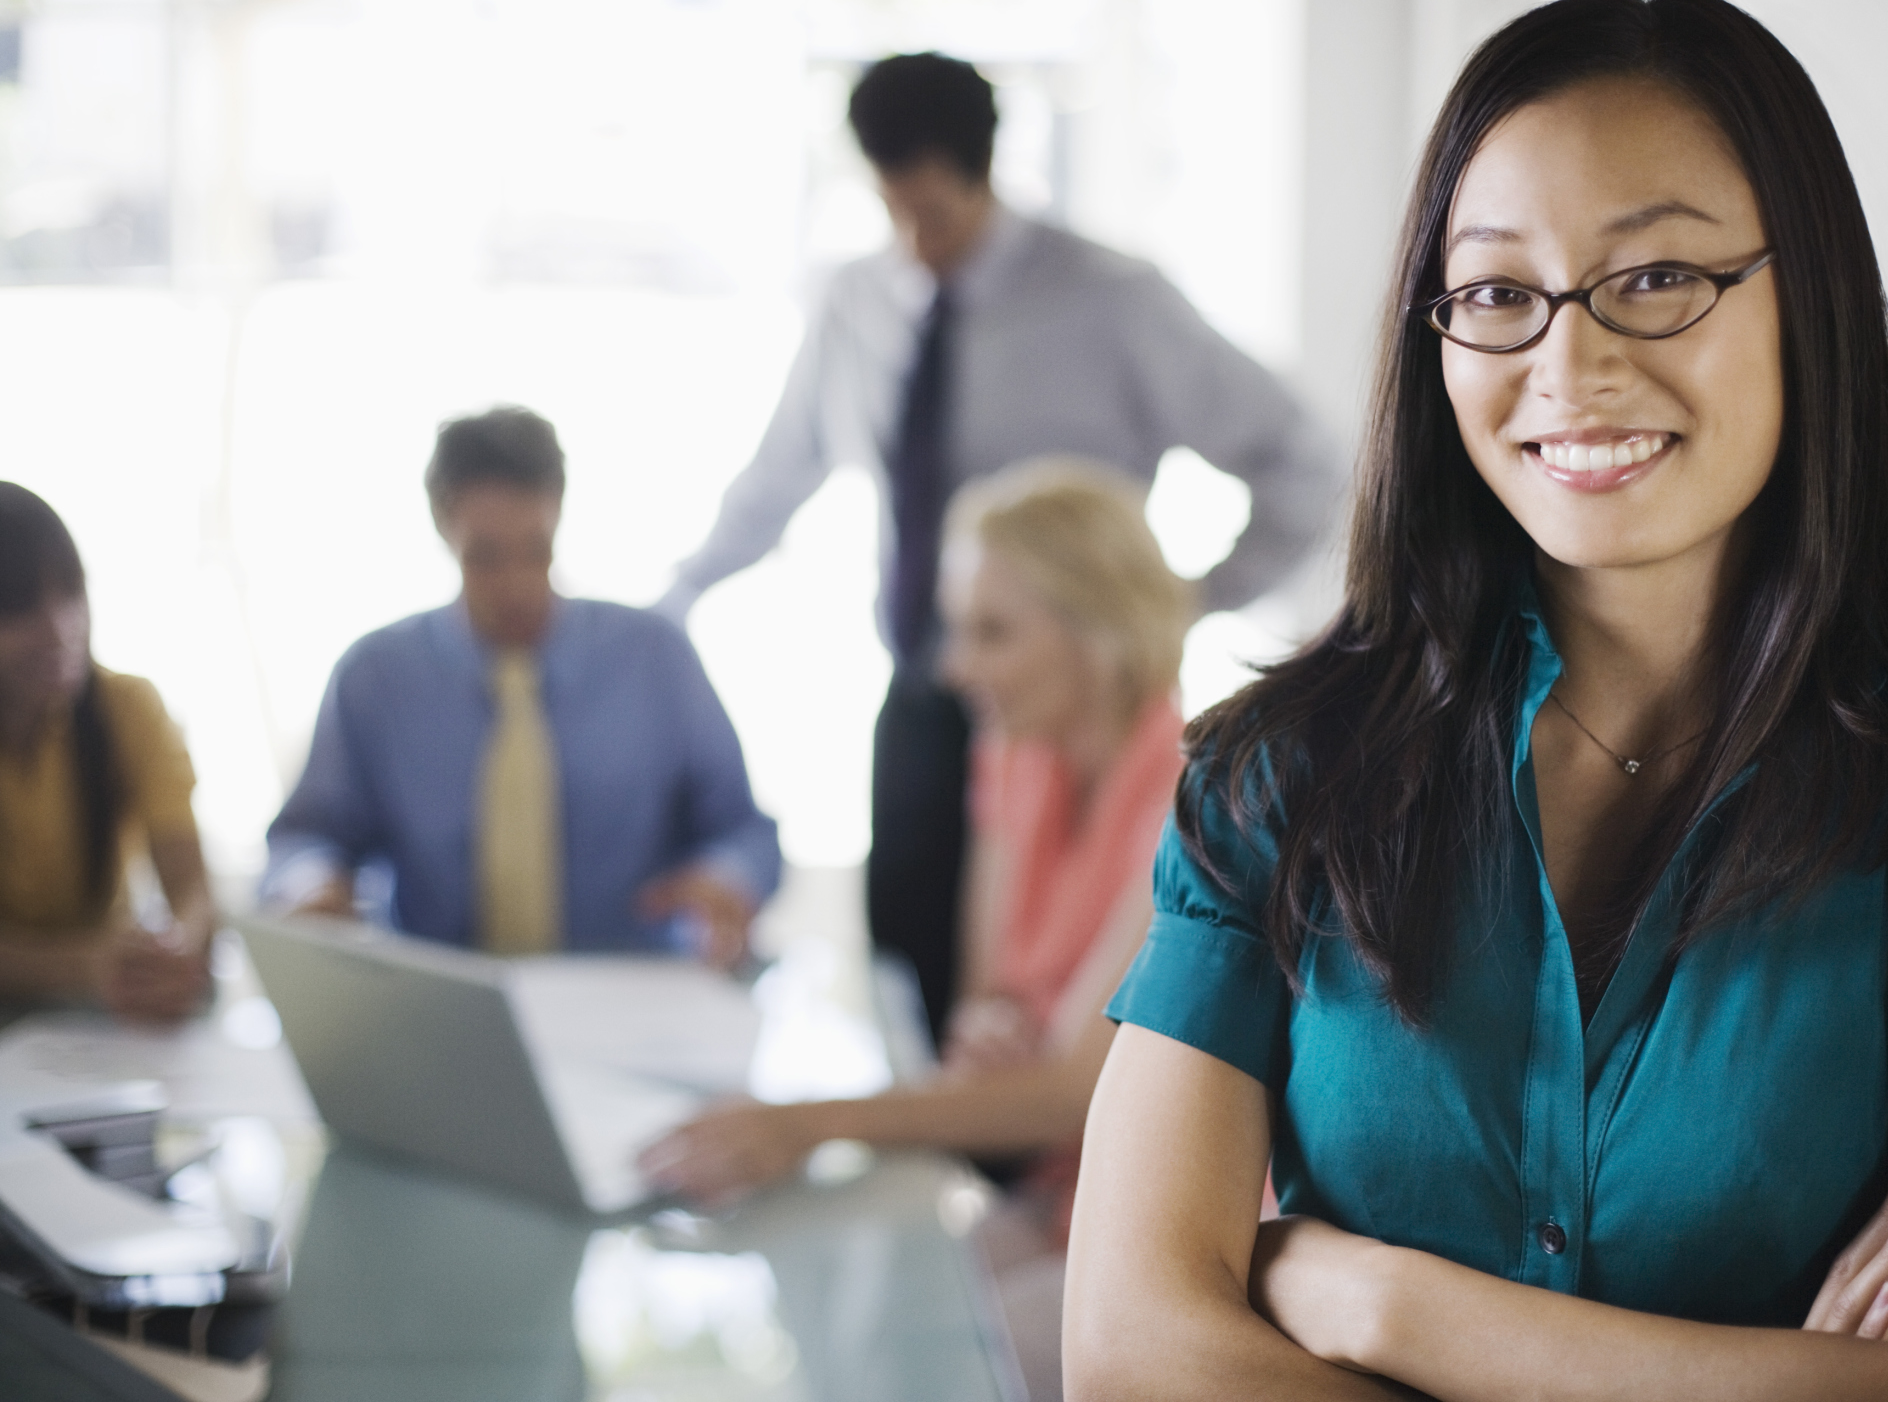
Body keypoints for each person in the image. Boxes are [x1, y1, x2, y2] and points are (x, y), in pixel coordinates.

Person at [1066, 0, 1888, 1400]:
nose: (1568, 364)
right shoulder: (1274, 778)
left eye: (1657, 276)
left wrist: (1374, 1297)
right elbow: (1132, 1356)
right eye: (1499, 292)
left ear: (1806, 296)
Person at [653, 52, 1339, 1043]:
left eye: (929, 213)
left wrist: (1171, 605)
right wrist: (670, 604)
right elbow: (777, 476)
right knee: (925, 994)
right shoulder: (856, 299)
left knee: (1087, 1013)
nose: (911, 243)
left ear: (981, 175)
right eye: (890, 211)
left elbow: (1299, 460)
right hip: (930, 697)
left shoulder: (1112, 299)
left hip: (1075, 708)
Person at [642, 460, 1192, 1401]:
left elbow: (1065, 1092)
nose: (954, 667)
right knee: (855, 1313)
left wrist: (806, 1124)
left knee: (930, 1359)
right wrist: (991, 1032)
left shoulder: (1194, 802)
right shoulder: (1014, 754)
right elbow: (989, 1011)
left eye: (993, 631)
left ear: (1097, 634)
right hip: (1059, 1194)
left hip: (1172, 1226)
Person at [264, 407, 780, 962]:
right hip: (445, 1003)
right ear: (443, 527)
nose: (515, 587)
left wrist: (726, 879)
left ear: (558, 515)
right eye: (485, 557)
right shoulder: (374, 678)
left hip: (631, 994)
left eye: (536, 551)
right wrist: (312, 884)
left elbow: (746, 833)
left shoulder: (656, 659)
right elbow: (302, 840)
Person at [0, 483, 213, 1020]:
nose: (60, 629)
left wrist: (176, 950)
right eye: (20, 605)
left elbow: (193, 888)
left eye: (72, 594)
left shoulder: (127, 707)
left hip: (103, 1020)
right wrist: (82, 966)